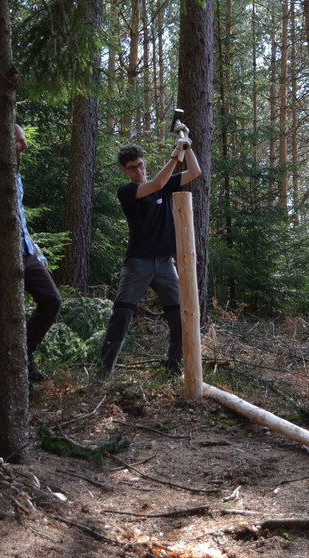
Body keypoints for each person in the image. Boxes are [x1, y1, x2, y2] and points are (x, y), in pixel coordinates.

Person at [96, 130, 201, 383]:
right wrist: (176, 155)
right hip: (138, 263)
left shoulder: (164, 187)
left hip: (166, 263)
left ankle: (173, 368)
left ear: (146, 162)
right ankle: (102, 374)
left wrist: (186, 144)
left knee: (179, 316)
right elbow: (155, 185)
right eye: (132, 168)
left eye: (141, 165)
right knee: (121, 315)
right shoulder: (127, 192)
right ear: (125, 170)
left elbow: (195, 172)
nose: (138, 171)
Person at [0, 124, 61, 381]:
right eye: (19, 141)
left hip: (25, 249)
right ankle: (7, 365)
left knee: (52, 300)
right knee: (6, 312)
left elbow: (18, 215)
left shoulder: (16, 174)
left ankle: (25, 354)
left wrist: (34, 244)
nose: (25, 146)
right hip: (2, 252)